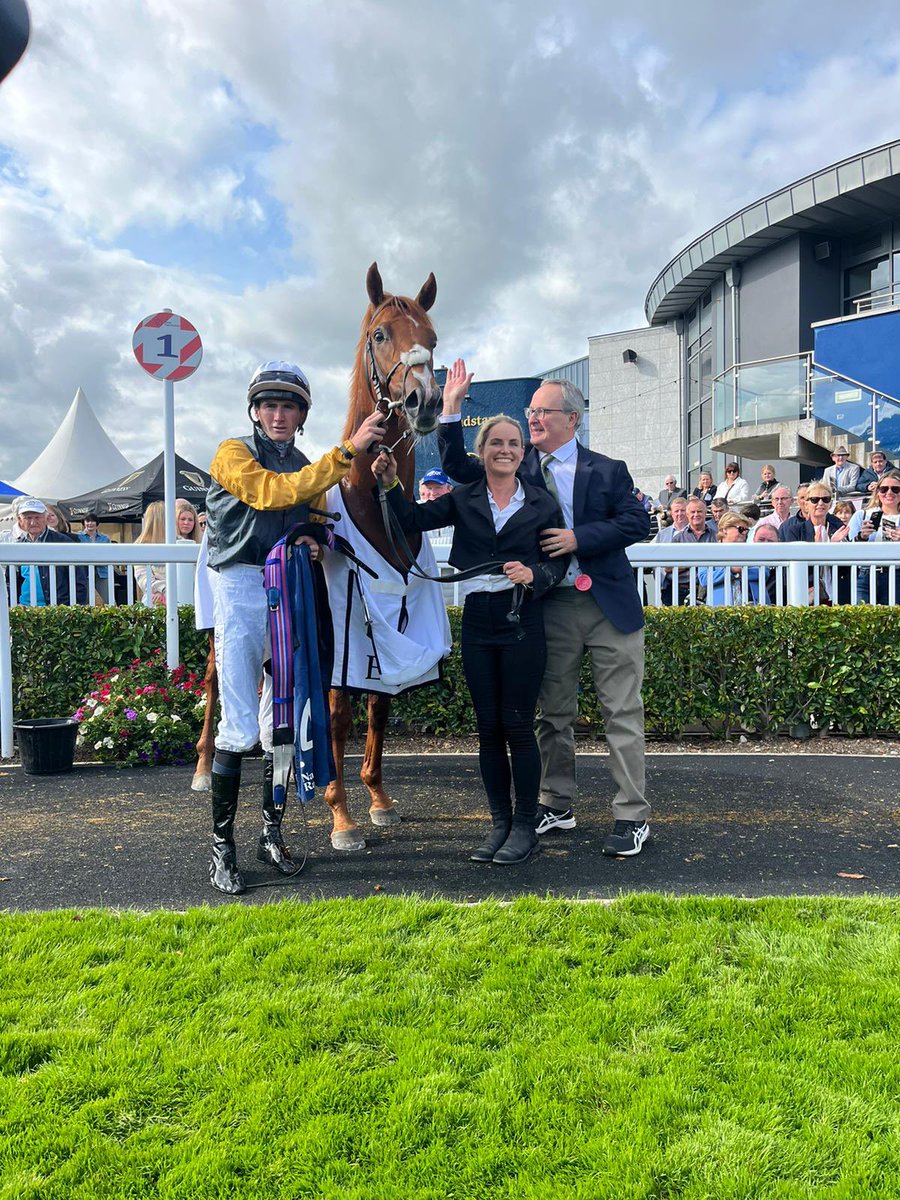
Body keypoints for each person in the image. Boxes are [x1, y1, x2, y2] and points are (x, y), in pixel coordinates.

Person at [438, 361, 652, 858]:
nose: (530, 420)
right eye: (529, 411)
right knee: (552, 714)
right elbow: (456, 469)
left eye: (541, 411)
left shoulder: (608, 470)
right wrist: (450, 411)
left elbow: (636, 521)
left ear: (571, 419)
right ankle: (557, 802)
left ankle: (631, 814)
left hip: (609, 604)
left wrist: (580, 537)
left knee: (622, 711)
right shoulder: (517, 466)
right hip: (549, 604)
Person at [204, 360, 387, 894]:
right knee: (237, 727)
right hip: (239, 587)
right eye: (270, 405)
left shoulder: (310, 464)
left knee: (281, 721)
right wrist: (347, 451)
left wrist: (316, 538)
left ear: (301, 414)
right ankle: (222, 848)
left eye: (288, 406)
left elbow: (318, 516)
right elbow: (270, 493)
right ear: (255, 411)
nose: (278, 414)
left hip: (287, 592)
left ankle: (269, 834)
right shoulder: (231, 452)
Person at [375, 415, 567, 864]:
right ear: (481, 452)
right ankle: (499, 823)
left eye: (514, 443)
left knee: (517, 725)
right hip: (479, 620)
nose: (506, 449)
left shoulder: (541, 502)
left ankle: (524, 827)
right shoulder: (463, 497)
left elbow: (559, 562)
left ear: (524, 452)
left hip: (523, 618)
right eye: (496, 443)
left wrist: (534, 573)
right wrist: (388, 484)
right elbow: (412, 518)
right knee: (488, 729)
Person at [780, 482, 849, 603]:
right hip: (808, 596)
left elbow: (848, 566)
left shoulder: (839, 528)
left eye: (825, 499)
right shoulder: (795, 531)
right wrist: (825, 547)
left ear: (830, 504)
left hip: (837, 595)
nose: (820, 503)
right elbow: (793, 568)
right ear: (806, 505)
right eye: (814, 499)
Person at [15, 497, 88, 606]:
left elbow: (80, 580)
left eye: (37, 517)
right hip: (24, 609)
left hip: (56, 610)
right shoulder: (18, 546)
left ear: (45, 518)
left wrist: (74, 609)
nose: (33, 522)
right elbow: (11, 580)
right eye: (28, 518)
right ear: (20, 521)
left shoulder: (63, 542)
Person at [848, 469, 900, 603]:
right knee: (862, 619)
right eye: (883, 489)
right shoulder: (862, 515)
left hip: (897, 574)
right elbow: (848, 549)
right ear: (877, 493)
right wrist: (862, 536)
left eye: (895, 489)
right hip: (866, 574)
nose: (889, 493)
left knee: (893, 621)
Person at [699, 513, 756, 606]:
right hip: (720, 608)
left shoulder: (750, 551)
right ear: (725, 529)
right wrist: (731, 570)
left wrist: (741, 571)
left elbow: (763, 572)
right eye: (741, 529)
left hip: (753, 608)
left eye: (747, 531)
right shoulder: (709, 552)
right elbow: (704, 579)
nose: (744, 533)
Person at [76, 512, 112, 603]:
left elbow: (109, 555)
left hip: (102, 572)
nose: (90, 523)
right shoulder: (77, 537)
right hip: (84, 573)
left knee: (108, 599)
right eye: (87, 521)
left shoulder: (105, 538)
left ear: (97, 523)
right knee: (85, 600)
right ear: (83, 523)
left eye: (93, 521)